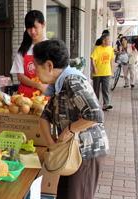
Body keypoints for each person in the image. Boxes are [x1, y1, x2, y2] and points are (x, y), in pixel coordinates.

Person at [34, 39, 109, 199]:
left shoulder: (72, 80)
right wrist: (52, 144)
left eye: (36, 66)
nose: (34, 71)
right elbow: (45, 117)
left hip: (86, 152)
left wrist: (67, 131)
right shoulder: (58, 85)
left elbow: (95, 114)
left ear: (49, 65)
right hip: (70, 153)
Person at [10, 10, 48, 98]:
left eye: (35, 27)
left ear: (43, 25)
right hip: (24, 97)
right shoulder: (23, 50)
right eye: (29, 28)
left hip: (45, 95)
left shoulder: (50, 47)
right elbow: (20, 76)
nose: (33, 31)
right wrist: (38, 85)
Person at [90, 34, 115, 111]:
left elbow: (111, 60)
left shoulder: (110, 49)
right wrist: (94, 68)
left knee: (106, 89)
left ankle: (106, 104)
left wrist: (112, 70)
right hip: (97, 73)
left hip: (107, 72)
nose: (110, 41)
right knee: (96, 90)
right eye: (108, 40)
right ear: (104, 41)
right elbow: (92, 59)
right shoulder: (97, 49)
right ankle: (96, 104)